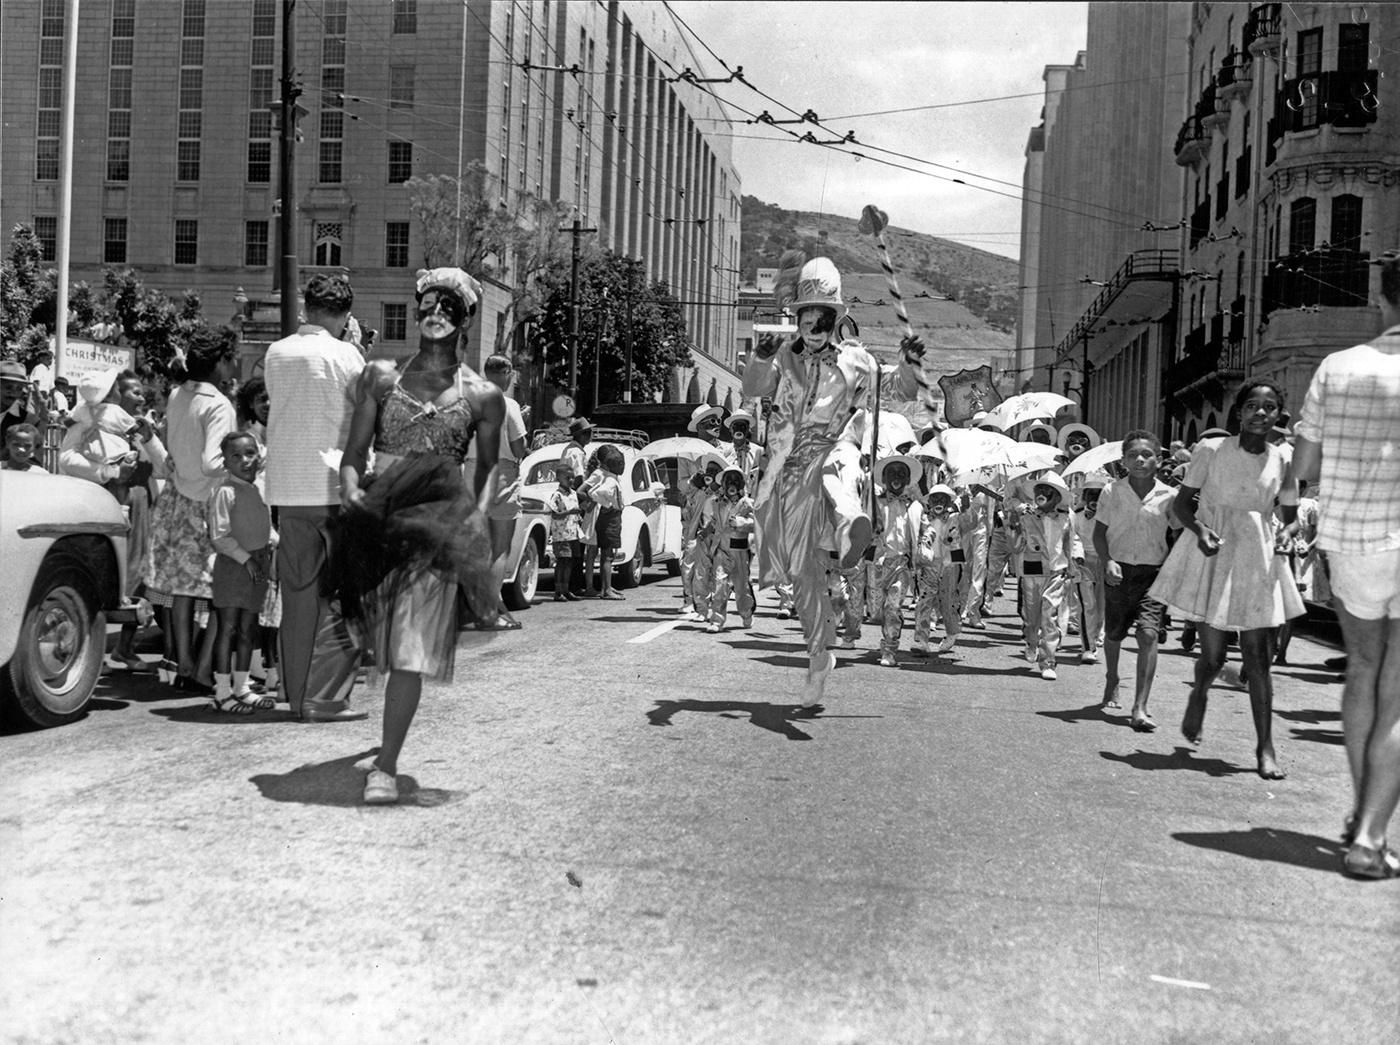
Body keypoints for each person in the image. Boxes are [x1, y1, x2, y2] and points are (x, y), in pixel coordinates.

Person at [338, 266, 504, 805]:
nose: (435, 315)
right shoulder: (379, 377)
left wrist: (476, 516)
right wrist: (348, 486)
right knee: (370, 637)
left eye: (449, 309)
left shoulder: (483, 397)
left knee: (409, 648)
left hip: (436, 523)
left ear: (466, 319)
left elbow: (485, 469)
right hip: (380, 518)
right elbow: (354, 455)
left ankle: (384, 765)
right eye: (428, 306)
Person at [741, 256, 928, 704]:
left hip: (839, 446)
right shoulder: (783, 357)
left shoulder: (858, 361)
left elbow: (901, 391)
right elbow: (752, 388)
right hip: (791, 468)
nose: (815, 324)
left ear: (834, 319)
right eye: (807, 316)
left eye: (823, 316)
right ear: (799, 318)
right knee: (804, 576)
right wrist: (761, 356)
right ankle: (818, 659)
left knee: (836, 469)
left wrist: (909, 364)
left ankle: (850, 529)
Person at [1286, 263, 1400, 877]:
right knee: (1399, 694)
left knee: (1362, 671)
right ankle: (1373, 837)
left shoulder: (1339, 366)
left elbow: (1303, 466)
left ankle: (1363, 817)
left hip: (1356, 540)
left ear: (1380, 296)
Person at [1150, 381, 1304, 779]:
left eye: (1269, 407)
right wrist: (1200, 532)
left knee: (1257, 660)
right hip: (1213, 551)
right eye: (1252, 405)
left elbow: (1288, 512)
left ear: (1278, 416)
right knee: (1214, 657)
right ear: (1238, 413)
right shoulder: (1212, 451)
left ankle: (1265, 747)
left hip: (1257, 556)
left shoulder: (1284, 457)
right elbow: (1182, 505)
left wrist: (1288, 532)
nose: (1260, 413)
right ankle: (1199, 693)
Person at [263, 274, 366, 721]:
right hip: (334, 488)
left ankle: (296, 692)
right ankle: (326, 699)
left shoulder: (276, 352)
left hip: (288, 488)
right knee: (340, 597)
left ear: (305, 309)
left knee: (298, 597)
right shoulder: (349, 355)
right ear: (345, 317)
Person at [148, 328, 240, 695]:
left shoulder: (177, 395)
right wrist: (252, 462)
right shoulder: (219, 404)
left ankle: (184, 662)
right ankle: (204, 669)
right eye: (233, 357)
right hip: (209, 505)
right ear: (220, 361)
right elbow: (212, 462)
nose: (236, 363)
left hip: (178, 500)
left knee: (184, 590)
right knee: (222, 591)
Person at [1093, 431, 1178, 729]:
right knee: (1114, 634)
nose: (1139, 460)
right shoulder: (1111, 492)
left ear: (1159, 459)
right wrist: (1108, 561)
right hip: (1118, 574)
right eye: (1132, 455)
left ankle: (1140, 706)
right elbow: (1099, 534)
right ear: (1124, 460)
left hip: (1153, 576)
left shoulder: (1169, 496)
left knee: (1148, 634)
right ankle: (1112, 677)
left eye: (1146, 455)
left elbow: (1179, 534)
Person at [207, 431, 277, 714]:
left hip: (257, 567)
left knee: (249, 629)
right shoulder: (225, 492)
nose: (244, 461)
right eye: (235, 456)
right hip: (234, 568)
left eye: (250, 454)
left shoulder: (259, 489)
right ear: (225, 462)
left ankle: (242, 688)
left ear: (258, 456)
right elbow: (219, 536)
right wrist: (245, 559)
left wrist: (275, 544)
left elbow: (265, 527)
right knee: (229, 629)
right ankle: (222, 693)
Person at [1010, 471, 1082, 680]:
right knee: (1031, 617)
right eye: (1039, 489)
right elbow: (1014, 545)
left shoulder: (1068, 515)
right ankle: (1031, 641)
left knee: (1049, 617)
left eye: (1047, 490)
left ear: (1057, 496)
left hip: (1056, 572)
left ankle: (1048, 661)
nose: (1041, 493)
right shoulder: (1025, 514)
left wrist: (1076, 558)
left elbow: (1073, 540)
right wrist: (1013, 523)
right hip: (1032, 572)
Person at [478, 355, 529, 629]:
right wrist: (522, 424)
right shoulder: (508, 404)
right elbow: (519, 449)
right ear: (506, 373)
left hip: (472, 473)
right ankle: (490, 613)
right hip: (501, 474)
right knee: (500, 547)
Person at [868, 454, 923, 668]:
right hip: (878, 564)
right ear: (884, 477)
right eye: (892, 473)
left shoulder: (915, 508)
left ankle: (889, 648)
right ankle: (887, 624)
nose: (897, 477)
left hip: (902, 565)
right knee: (875, 611)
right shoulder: (874, 504)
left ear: (908, 479)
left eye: (902, 473)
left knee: (893, 608)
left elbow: (925, 531)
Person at [912, 484, 974, 656]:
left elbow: (971, 524)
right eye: (935, 499)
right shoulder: (924, 518)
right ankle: (921, 640)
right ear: (929, 502)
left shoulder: (956, 518)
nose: (938, 502)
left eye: (942, 499)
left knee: (948, 602)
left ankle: (952, 633)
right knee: (924, 601)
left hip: (950, 566)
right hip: (929, 565)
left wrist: (968, 508)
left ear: (948, 501)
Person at [703, 466, 756, 632]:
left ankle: (746, 613)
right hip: (722, 550)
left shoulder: (747, 504)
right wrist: (707, 529)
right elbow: (715, 522)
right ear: (723, 484)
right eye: (728, 481)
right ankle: (717, 620)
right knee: (719, 585)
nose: (732, 485)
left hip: (739, 551)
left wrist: (741, 523)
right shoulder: (718, 503)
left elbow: (758, 525)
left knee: (742, 588)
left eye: (735, 481)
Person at [582, 444, 627, 600]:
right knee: (597, 552)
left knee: (604, 553)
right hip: (598, 515)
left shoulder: (609, 475)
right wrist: (601, 503)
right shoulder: (601, 474)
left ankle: (605, 586)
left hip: (602, 514)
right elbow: (583, 491)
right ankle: (595, 587)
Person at [1071, 475, 1108, 664]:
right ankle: (1088, 646)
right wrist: (1077, 556)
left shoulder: (1110, 516)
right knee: (1088, 605)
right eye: (1091, 494)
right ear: (1085, 496)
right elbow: (1073, 538)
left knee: (1102, 605)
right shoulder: (1076, 517)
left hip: (1106, 562)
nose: (1095, 498)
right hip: (1084, 562)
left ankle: (1096, 635)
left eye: (1099, 494)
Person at [547, 461, 582, 601]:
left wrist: (577, 516)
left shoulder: (573, 493)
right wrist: (569, 512)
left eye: (572, 477)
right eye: (567, 478)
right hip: (561, 534)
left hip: (572, 533)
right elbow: (554, 513)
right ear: (559, 479)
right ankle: (558, 590)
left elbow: (576, 511)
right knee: (562, 561)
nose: (571, 480)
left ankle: (566, 589)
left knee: (570, 562)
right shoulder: (557, 495)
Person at [721, 408, 765, 491]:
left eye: (742, 427)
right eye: (735, 426)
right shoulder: (724, 451)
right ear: (730, 429)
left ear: (748, 429)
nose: (739, 429)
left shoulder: (758, 451)